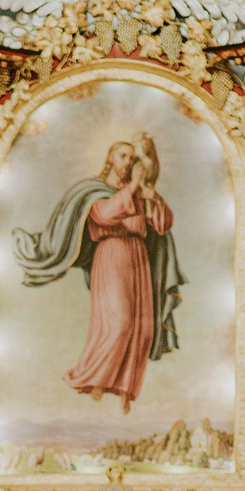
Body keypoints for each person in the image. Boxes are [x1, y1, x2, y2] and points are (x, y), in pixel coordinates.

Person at [12, 134, 182, 414]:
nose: (129, 162)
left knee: (143, 328)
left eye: (132, 157)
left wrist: (154, 198)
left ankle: (127, 389)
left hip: (138, 257)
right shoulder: (94, 190)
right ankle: (92, 378)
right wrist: (135, 188)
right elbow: (105, 215)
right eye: (123, 156)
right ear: (110, 160)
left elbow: (163, 225)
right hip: (112, 255)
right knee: (120, 323)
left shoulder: (137, 193)